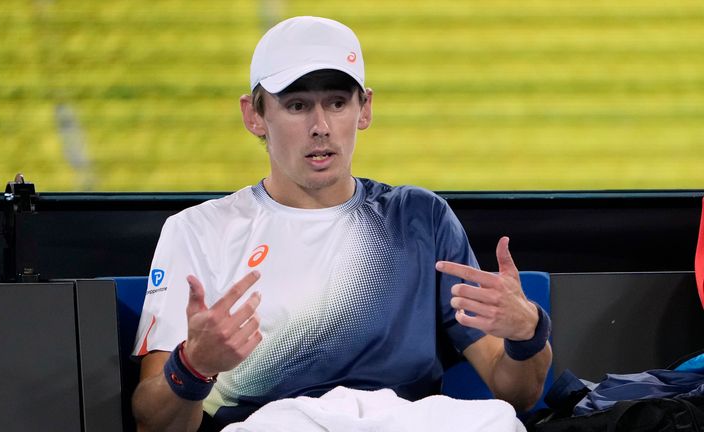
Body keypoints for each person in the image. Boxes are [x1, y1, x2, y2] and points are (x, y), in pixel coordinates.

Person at [131, 16, 552, 432]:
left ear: (364, 108)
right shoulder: (199, 231)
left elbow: (517, 392)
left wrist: (527, 334)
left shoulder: (421, 218)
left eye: (337, 103)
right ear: (254, 115)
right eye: (297, 106)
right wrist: (193, 368)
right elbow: (155, 422)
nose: (321, 128)